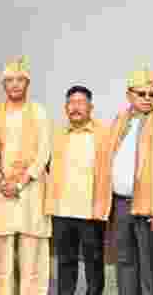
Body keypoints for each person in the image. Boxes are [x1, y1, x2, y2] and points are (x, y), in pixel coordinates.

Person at [99, 66, 153, 295]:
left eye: (151, 94)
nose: (147, 99)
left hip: (150, 205)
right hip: (121, 203)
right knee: (124, 262)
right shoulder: (121, 122)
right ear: (129, 95)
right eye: (141, 94)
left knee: (151, 267)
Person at [0, 56, 51, 295]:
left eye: (20, 80)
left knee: (32, 252)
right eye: (9, 81)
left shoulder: (39, 112)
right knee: (1, 253)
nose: (15, 85)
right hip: (0, 188)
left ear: (27, 83)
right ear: (3, 85)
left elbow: (44, 152)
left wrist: (22, 181)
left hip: (31, 189)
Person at [46, 86, 111, 295]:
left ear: (90, 107)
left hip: (91, 210)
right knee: (65, 261)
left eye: (81, 102)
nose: (76, 107)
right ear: (66, 107)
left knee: (94, 261)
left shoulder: (104, 134)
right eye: (71, 103)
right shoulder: (56, 134)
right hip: (62, 209)